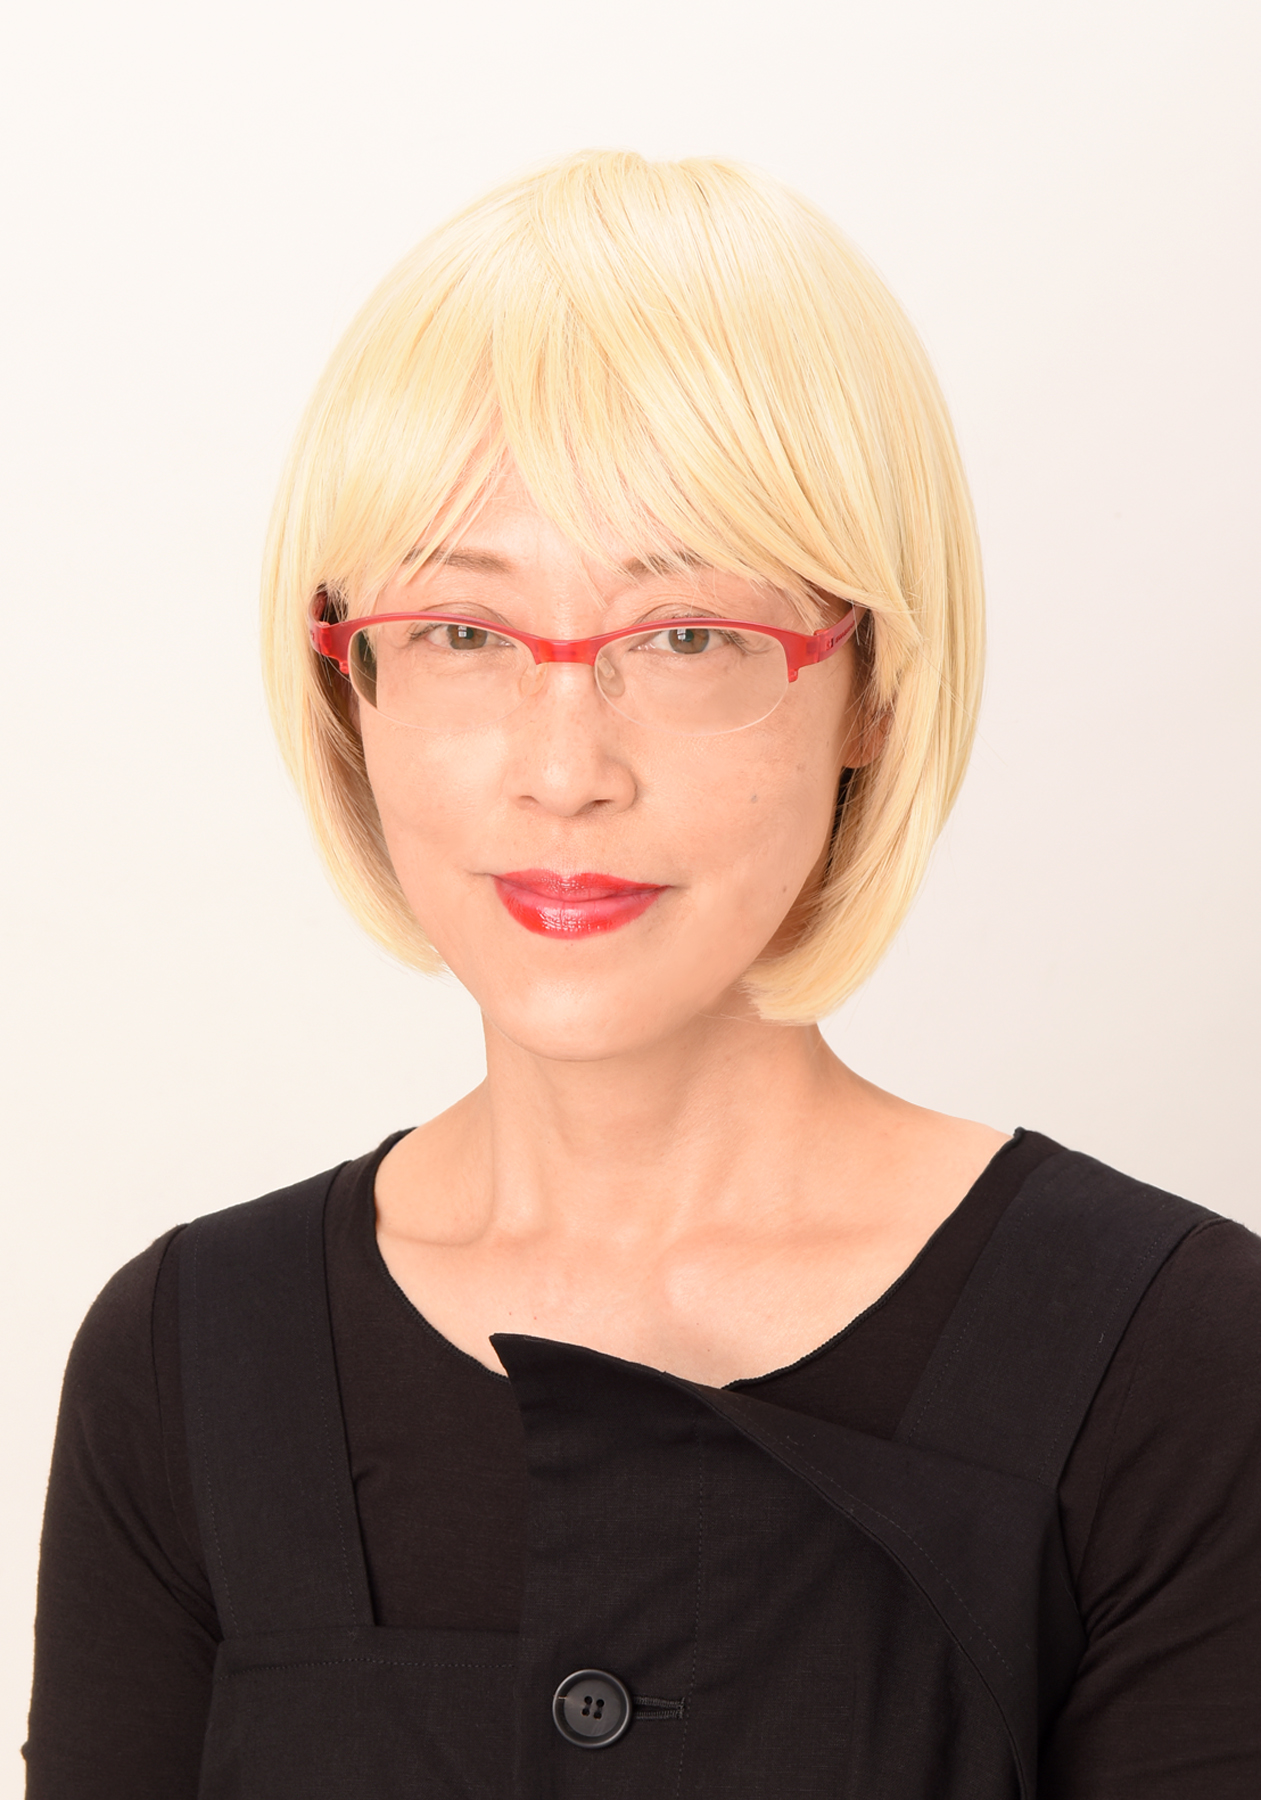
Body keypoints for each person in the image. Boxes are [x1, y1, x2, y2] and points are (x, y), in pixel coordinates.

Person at [24, 151, 1261, 1799]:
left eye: (686, 635)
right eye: (463, 632)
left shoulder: (1177, 1360)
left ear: (872, 687)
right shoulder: (188, 1364)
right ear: (349, 685)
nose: (564, 772)